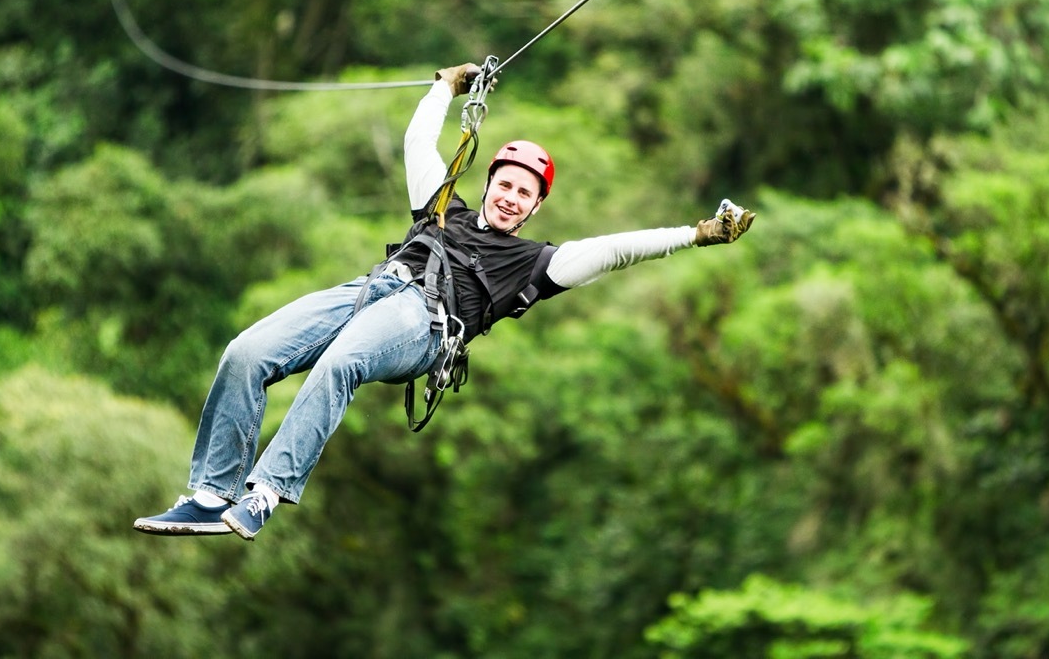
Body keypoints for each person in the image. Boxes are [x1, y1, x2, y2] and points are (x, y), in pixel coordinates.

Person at [134, 62, 755, 540]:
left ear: (537, 207)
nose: (512, 198)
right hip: (370, 291)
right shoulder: (441, 207)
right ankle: (212, 495)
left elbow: (617, 248)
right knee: (248, 351)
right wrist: (444, 87)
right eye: (505, 185)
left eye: (525, 194)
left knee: (339, 364)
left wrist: (696, 233)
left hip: (426, 322)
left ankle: (265, 492)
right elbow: (416, 144)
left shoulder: (536, 263)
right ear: (489, 186)